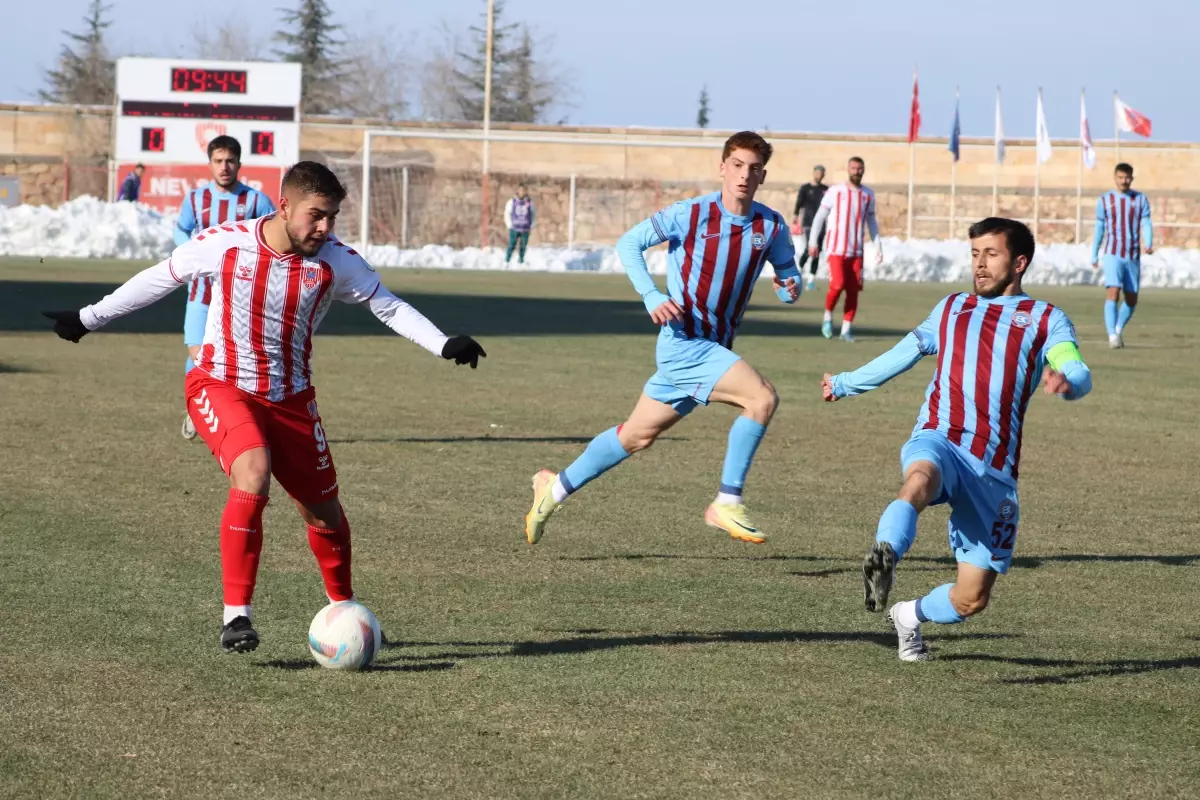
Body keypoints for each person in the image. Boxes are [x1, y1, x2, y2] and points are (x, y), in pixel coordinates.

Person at [43, 161, 487, 655]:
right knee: (253, 470)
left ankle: (345, 611)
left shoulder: (336, 262)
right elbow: (159, 278)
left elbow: (387, 305)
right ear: (284, 206)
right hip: (220, 383)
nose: (325, 228)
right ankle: (237, 616)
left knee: (325, 516)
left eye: (333, 217)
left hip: (292, 400)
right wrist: (88, 318)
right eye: (316, 215)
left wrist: (443, 343)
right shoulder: (226, 242)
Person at [822, 218, 1091, 662]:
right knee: (918, 481)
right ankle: (885, 554)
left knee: (972, 599)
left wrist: (1068, 380)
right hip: (940, 436)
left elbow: (1075, 367)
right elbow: (902, 354)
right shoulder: (950, 308)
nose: (979, 264)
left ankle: (909, 615)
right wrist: (846, 383)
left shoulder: (1045, 319)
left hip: (993, 470)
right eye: (974, 254)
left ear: (1019, 262)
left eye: (991, 254)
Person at [524, 131, 801, 547]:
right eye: (738, 165)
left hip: (714, 347)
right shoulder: (691, 214)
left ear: (763, 176)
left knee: (635, 436)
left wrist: (790, 286)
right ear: (723, 167)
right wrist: (651, 294)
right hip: (684, 344)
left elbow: (788, 271)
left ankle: (554, 488)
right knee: (761, 398)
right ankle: (726, 501)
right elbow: (629, 242)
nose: (745, 175)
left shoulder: (771, 225)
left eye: (755, 169)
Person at [177, 136, 276, 440]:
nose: (224, 167)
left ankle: (241, 412)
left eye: (230, 161)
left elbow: (272, 233)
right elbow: (181, 230)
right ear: (210, 164)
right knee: (197, 349)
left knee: (240, 353)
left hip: (241, 295)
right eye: (218, 161)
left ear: (239, 164)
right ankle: (198, 408)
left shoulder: (257, 201)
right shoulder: (195, 200)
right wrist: (191, 253)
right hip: (201, 291)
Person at [807, 157, 882, 342]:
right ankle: (827, 318)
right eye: (854, 168)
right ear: (848, 169)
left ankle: (846, 329)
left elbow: (871, 222)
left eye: (860, 168)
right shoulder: (835, 191)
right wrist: (812, 241)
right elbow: (819, 217)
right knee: (837, 285)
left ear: (863, 170)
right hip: (835, 249)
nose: (857, 171)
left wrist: (878, 245)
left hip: (856, 251)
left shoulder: (868, 195)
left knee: (853, 290)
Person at [1091, 162, 1153, 349]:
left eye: (1127, 177)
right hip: (1112, 253)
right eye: (1120, 177)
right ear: (1115, 178)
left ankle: (1117, 329)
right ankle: (1111, 335)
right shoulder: (1105, 200)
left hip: (1132, 255)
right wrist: (1094, 253)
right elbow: (1100, 227)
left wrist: (1149, 243)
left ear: (1132, 178)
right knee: (1113, 291)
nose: (1123, 181)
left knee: (1131, 298)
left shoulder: (1140, 199)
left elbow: (1146, 222)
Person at [792, 164, 828, 291]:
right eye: (817, 173)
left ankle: (811, 281)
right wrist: (795, 217)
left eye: (821, 173)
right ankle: (797, 273)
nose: (819, 175)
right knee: (809, 248)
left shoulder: (825, 190)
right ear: (814, 173)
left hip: (822, 225)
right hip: (808, 223)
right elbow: (799, 204)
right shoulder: (805, 188)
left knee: (817, 251)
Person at [504, 185, 535, 264]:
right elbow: (507, 212)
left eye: (523, 190)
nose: (522, 192)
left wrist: (532, 223)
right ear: (517, 191)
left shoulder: (529, 202)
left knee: (523, 245)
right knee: (512, 244)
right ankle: (507, 260)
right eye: (520, 190)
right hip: (515, 227)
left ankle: (521, 261)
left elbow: (533, 213)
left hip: (525, 227)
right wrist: (509, 223)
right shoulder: (512, 201)